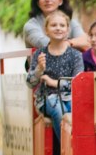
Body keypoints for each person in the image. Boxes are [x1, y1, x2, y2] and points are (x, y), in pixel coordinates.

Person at [26, 10, 84, 141]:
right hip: (47, 98)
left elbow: (78, 83)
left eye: (62, 25)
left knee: (77, 109)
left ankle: (77, 145)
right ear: (46, 30)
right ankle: (68, 146)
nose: (58, 28)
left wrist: (54, 82)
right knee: (58, 108)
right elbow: (30, 83)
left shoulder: (76, 55)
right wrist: (39, 70)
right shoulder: (40, 54)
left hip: (70, 98)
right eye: (54, 25)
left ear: (68, 30)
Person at [23, 0, 90, 51]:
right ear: (38, 3)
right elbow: (49, 45)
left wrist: (69, 43)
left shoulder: (71, 22)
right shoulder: (31, 26)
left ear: (60, 1)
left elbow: (86, 43)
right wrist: (74, 43)